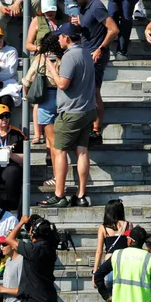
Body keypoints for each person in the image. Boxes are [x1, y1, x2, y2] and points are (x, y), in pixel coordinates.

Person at [38, 22, 95, 208]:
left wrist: (52, 67)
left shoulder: (71, 56)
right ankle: (81, 195)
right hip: (87, 109)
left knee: (59, 151)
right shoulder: (86, 51)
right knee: (82, 151)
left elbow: (62, 84)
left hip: (71, 112)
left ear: (67, 38)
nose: (59, 39)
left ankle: (59, 194)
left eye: (60, 36)